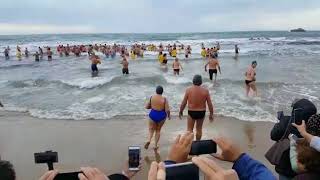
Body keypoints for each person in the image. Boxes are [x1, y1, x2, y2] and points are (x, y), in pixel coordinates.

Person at [149, 132, 275, 180]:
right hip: (200, 112)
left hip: (192, 112)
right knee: (198, 127)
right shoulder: (204, 92)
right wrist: (242, 160)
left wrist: (170, 165)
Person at [270, 99, 317, 180]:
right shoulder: (315, 125)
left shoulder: (286, 121)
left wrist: (279, 123)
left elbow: (273, 135)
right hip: (307, 169)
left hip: (285, 168)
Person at [179, 75, 214, 140]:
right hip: (201, 112)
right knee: (199, 129)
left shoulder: (188, 90)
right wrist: (211, 114)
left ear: (193, 81)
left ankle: (190, 144)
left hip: (191, 111)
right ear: (201, 82)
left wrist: (181, 111)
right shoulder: (205, 91)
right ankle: (197, 143)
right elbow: (210, 104)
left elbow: (184, 102)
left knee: (189, 130)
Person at [145, 86, 171, 150]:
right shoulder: (164, 99)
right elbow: (167, 110)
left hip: (153, 114)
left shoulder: (152, 97)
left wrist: (153, 106)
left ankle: (149, 140)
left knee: (151, 130)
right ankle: (155, 145)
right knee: (158, 130)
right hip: (161, 116)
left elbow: (147, 106)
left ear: (156, 91)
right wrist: (169, 115)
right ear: (162, 92)